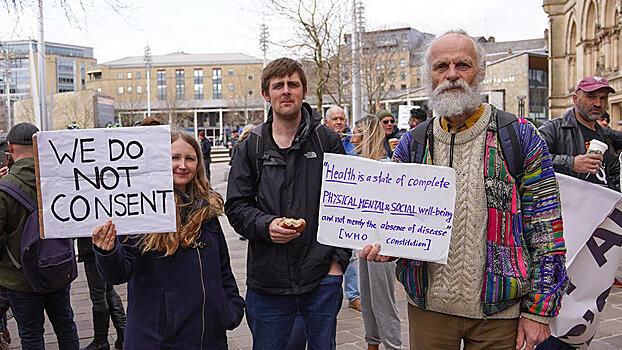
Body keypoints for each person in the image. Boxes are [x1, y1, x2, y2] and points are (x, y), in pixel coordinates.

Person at [363, 30, 568, 350]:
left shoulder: (519, 135)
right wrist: (386, 245)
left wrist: (540, 312)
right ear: (428, 76)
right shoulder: (413, 144)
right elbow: (394, 222)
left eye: (463, 64)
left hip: (500, 311)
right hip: (429, 309)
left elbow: (546, 229)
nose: (452, 75)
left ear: (481, 71)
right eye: (440, 66)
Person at [225, 57, 349, 350]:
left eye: (293, 84)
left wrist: (337, 263)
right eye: (278, 86)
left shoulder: (327, 141)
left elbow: (347, 205)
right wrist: (266, 225)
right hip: (268, 284)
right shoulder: (251, 146)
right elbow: (236, 206)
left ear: (304, 91)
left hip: (321, 279)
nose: (286, 91)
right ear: (266, 95)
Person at [92, 129, 244, 349]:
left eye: (189, 158)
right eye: (174, 157)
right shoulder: (140, 210)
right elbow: (118, 273)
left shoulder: (206, 213)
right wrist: (106, 251)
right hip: (157, 340)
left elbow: (223, 271)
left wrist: (230, 310)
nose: (182, 165)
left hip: (208, 338)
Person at [0, 123, 80, 350]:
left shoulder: (4, 189)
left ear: (10, 147)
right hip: (58, 268)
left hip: (20, 278)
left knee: (31, 334)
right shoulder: (62, 180)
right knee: (66, 326)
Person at [351, 115, 402, 350]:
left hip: (384, 248)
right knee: (369, 299)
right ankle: (372, 344)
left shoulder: (389, 168)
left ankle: (393, 346)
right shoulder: (359, 167)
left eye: (355, 133)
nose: (352, 139)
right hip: (364, 245)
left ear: (366, 135)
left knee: (384, 302)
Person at [539, 76, 620, 192]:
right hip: (569, 206)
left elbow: (614, 174)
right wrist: (571, 163)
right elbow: (532, 159)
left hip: (603, 205)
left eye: (603, 98)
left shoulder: (605, 135)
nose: (598, 103)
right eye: (591, 97)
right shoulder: (553, 129)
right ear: (575, 99)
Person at [324, 105, 361, 311]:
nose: (339, 122)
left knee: (351, 254)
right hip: (327, 206)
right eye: (335, 119)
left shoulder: (352, 146)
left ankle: (353, 295)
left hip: (348, 207)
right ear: (326, 122)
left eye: (342, 119)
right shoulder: (320, 141)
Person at [76, 237, 126, 350]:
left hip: (92, 246)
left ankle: (101, 341)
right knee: (108, 290)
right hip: (105, 244)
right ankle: (123, 333)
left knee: (98, 295)